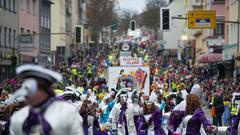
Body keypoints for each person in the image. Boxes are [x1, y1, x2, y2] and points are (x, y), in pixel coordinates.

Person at [9, 64, 83, 135]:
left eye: (32, 89)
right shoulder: (19, 117)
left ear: (45, 90)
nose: (27, 94)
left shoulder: (68, 113)